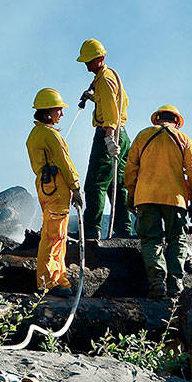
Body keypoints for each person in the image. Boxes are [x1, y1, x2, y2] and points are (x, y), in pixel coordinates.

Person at [124, 105, 192, 298]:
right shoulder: (183, 138)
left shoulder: (143, 136)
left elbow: (130, 170)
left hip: (146, 197)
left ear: (157, 119)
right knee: (177, 240)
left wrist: (132, 195)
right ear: (177, 121)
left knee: (152, 239)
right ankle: (176, 286)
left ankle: (157, 283)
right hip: (175, 199)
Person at [25, 88, 83, 298]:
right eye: (59, 110)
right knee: (53, 236)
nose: (62, 114)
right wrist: (76, 187)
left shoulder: (35, 134)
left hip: (47, 188)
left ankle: (60, 279)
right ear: (48, 112)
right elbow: (65, 163)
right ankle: (48, 282)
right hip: (56, 189)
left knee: (58, 237)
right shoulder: (49, 135)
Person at [76, 38, 133, 239]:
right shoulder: (107, 76)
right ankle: (123, 230)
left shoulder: (106, 81)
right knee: (117, 185)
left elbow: (110, 112)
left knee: (95, 183)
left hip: (110, 133)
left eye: (90, 61)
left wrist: (109, 139)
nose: (87, 66)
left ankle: (91, 231)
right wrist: (91, 94)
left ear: (101, 58)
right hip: (123, 134)